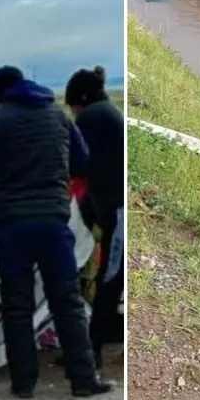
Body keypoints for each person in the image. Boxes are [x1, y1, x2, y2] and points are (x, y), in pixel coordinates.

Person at [0, 65, 113, 399]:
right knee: (67, 302)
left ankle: (23, 383)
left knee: (17, 305)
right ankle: (84, 380)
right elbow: (82, 162)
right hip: (52, 223)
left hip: (11, 227)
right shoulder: (57, 116)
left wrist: (4, 179)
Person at [65, 66, 125, 370]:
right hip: (114, 209)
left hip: (120, 213)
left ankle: (92, 352)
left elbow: (77, 166)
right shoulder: (106, 113)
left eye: (73, 106)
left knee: (110, 280)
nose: (73, 113)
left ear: (81, 100)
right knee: (109, 278)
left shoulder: (92, 118)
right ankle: (98, 342)